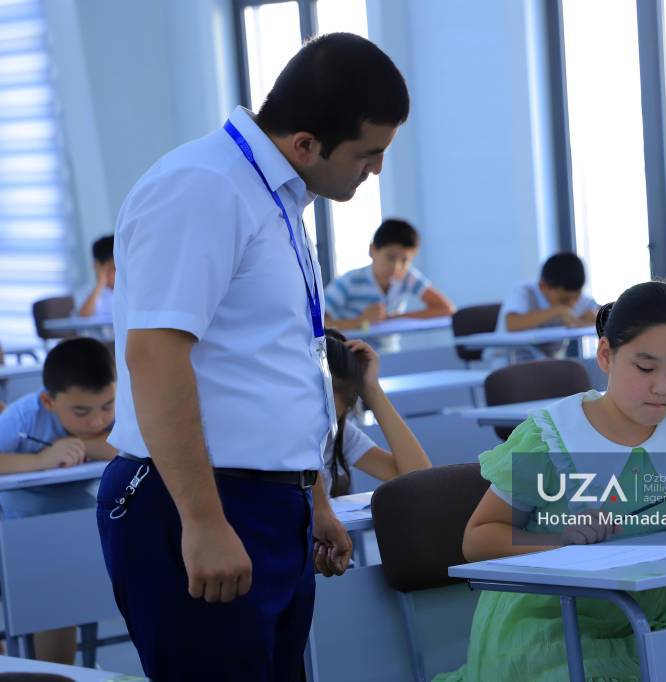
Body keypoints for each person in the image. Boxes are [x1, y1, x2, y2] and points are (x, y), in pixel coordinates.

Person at [95, 33, 409, 681]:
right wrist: (203, 521)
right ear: (306, 143)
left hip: (269, 504)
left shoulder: (275, 197)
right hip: (200, 500)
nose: (376, 170)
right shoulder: (203, 187)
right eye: (368, 153)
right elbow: (155, 357)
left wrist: (312, 495)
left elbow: (276, 365)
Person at [437, 281, 666, 681]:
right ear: (605, 355)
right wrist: (560, 539)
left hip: (661, 623)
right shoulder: (551, 438)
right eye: (645, 368)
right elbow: (478, 538)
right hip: (553, 632)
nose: (662, 388)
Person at [0, 337, 117, 664]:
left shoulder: (120, 408)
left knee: (66, 589)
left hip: (83, 527)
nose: (97, 421)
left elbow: (128, 445)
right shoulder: (25, 416)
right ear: (48, 402)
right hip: (18, 531)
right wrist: (41, 460)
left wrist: (82, 444)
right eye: (81, 411)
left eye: (107, 406)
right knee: (50, 593)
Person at [322, 329, 431, 496]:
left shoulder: (338, 432)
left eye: (333, 416)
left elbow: (423, 481)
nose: (320, 426)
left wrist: (372, 391)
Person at [324, 219, 454, 350]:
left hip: (388, 355)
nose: (396, 267)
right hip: (351, 356)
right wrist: (360, 322)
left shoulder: (407, 277)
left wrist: (395, 318)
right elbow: (318, 325)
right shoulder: (349, 282)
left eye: (404, 260)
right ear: (372, 250)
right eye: (390, 257)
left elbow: (446, 309)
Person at [487, 252, 600, 362]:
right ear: (543, 286)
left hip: (546, 364)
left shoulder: (574, 297)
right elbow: (512, 324)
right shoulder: (523, 292)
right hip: (505, 361)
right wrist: (557, 311)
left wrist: (580, 322)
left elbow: (597, 319)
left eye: (576, 297)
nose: (572, 304)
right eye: (564, 300)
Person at [76, 235, 115, 317]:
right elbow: (84, 315)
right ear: (97, 267)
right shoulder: (87, 292)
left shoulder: (129, 291)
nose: (116, 273)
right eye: (112, 268)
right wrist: (100, 283)